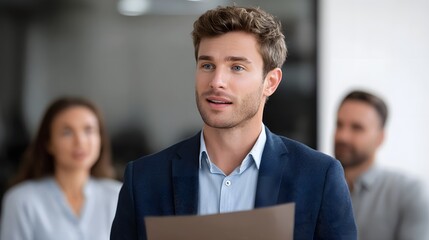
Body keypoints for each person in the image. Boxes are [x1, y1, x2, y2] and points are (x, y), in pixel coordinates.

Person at [111, 5, 357, 240]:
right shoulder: (144, 180)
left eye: (236, 67)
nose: (216, 81)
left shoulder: (318, 177)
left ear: (270, 82)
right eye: (207, 65)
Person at [0, 97, 122, 240]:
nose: (80, 141)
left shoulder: (118, 195)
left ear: (100, 139)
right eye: (67, 132)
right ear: (48, 143)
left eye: (88, 130)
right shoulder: (22, 200)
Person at [334, 90, 429, 240]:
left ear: (380, 138)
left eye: (357, 127)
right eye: (339, 125)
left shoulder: (411, 193)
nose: (342, 136)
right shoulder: (317, 185)